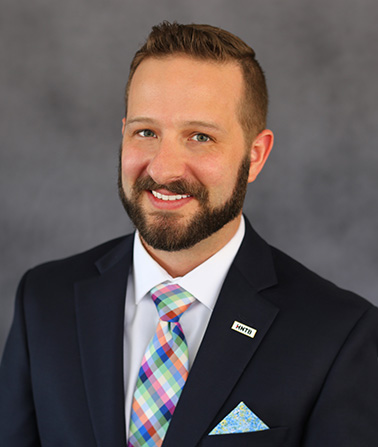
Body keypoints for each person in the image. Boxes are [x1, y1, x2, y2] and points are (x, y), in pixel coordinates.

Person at [0, 21, 377, 447]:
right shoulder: (44, 299)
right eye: (146, 132)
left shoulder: (338, 334)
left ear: (255, 156)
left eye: (200, 137)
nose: (163, 169)